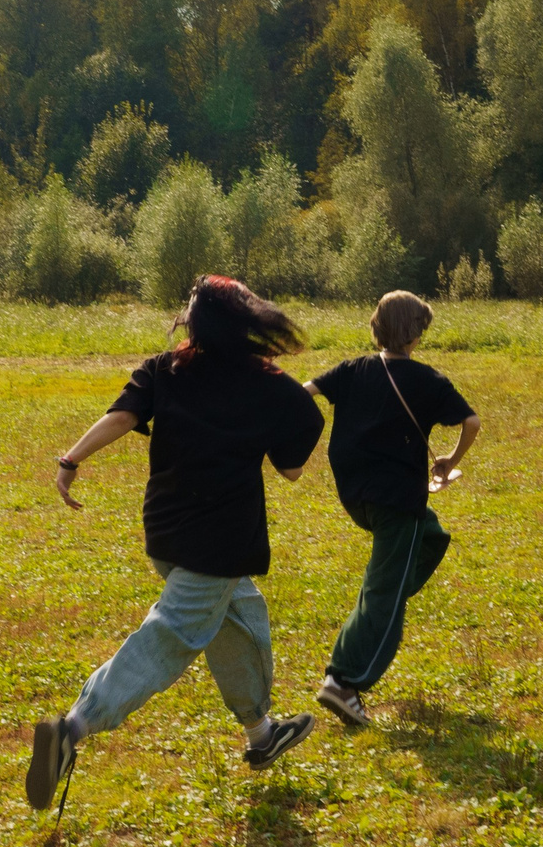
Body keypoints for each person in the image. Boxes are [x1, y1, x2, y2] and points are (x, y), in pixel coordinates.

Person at [25, 276, 327, 812]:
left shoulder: (164, 368)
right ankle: (73, 728)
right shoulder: (269, 382)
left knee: (240, 619)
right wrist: (286, 455)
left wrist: (71, 459)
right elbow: (296, 452)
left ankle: (261, 734)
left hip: (166, 531)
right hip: (220, 541)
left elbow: (122, 415)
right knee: (171, 634)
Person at [302, 290, 482, 730]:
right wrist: (450, 461)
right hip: (397, 501)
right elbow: (472, 422)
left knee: (432, 535)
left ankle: (390, 588)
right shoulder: (427, 380)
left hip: (357, 496)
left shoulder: (350, 369)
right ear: (414, 334)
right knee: (384, 595)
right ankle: (343, 681)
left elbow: (302, 394)